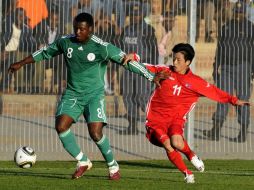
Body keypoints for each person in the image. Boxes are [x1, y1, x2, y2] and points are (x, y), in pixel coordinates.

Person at [8, 12, 164, 180]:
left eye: (82, 29)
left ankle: (112, 165)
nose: (77, 32)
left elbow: (127, 61)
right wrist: (21, 63)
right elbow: (45, 52)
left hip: (94, 96)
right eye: (76, 28)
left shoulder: (102, 47)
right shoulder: (65, 42)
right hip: (72, 93)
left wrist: (150, 76)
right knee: (61, 126)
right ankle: (83, 161)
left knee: (95, 133)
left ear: (90, 29)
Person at [125, 43, 250, 183]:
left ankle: (191, 155)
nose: (174, 62)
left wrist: (234, 100)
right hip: (155, 119)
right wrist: (134, 56)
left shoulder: (195, 82)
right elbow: (144, 67)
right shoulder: (164, 71)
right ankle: (187, 173)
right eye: (173, 58)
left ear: (188, 62)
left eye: (178, 60)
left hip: (176, 120)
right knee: (167, 144)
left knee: (177, 142)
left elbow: (215, 92)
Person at [203, 1, 254, 143]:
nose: (238, 15)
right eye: (236, 12)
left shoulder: (251, 27)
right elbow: (219, 49)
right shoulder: (226, 27)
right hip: (226, 68)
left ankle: (243, 133)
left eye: (241, 12)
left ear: (245, 13)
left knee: (242, 100)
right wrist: (215, 68)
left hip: (244, 67)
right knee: (223, 98)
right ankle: (216, 131)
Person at [118, 1, 159, 135]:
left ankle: (156, 122)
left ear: (142, 15)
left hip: (143, 68)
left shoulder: (148, 30)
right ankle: (132, 126)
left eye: (138, 14)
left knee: (142, 96)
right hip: (128, 68)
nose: (135, 17)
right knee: (128, 96)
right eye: (133, 14)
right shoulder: (126, 30)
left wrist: (153, 71)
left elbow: (154, 52)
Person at [0, 8, 36, 93]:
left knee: (11, 60)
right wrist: (1, 52)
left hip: (15, 54)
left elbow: (31, 44)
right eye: (18, 15)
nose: (20, 18)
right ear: (14, 16)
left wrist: (36, 43)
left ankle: (4, 87)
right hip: (2, 51)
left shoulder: (27, 30)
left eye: (22, 16)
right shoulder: (7, 26)